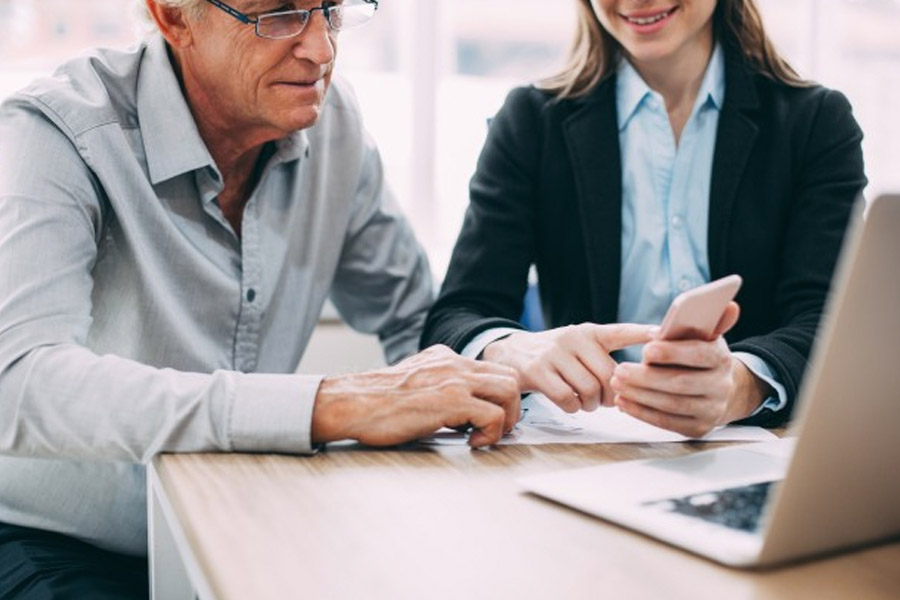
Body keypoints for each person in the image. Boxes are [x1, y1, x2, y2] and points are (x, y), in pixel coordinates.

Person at [0, 0, 619, 597]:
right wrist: (327, 405)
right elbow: (20, 384)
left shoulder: (332, 123)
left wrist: (498, 356)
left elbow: (413, 318)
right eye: (277, 13)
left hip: (243, 518)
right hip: (54, 542)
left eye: (330, 7)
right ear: (172, 16)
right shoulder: (59, 131)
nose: (322, 48)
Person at [422, 0, 866, 438]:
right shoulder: (532, 121)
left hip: (757, 448)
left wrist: (739, 385)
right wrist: (510, 351)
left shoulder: (815, 123)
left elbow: (830, 322)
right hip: (585, 451)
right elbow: (457, 316)